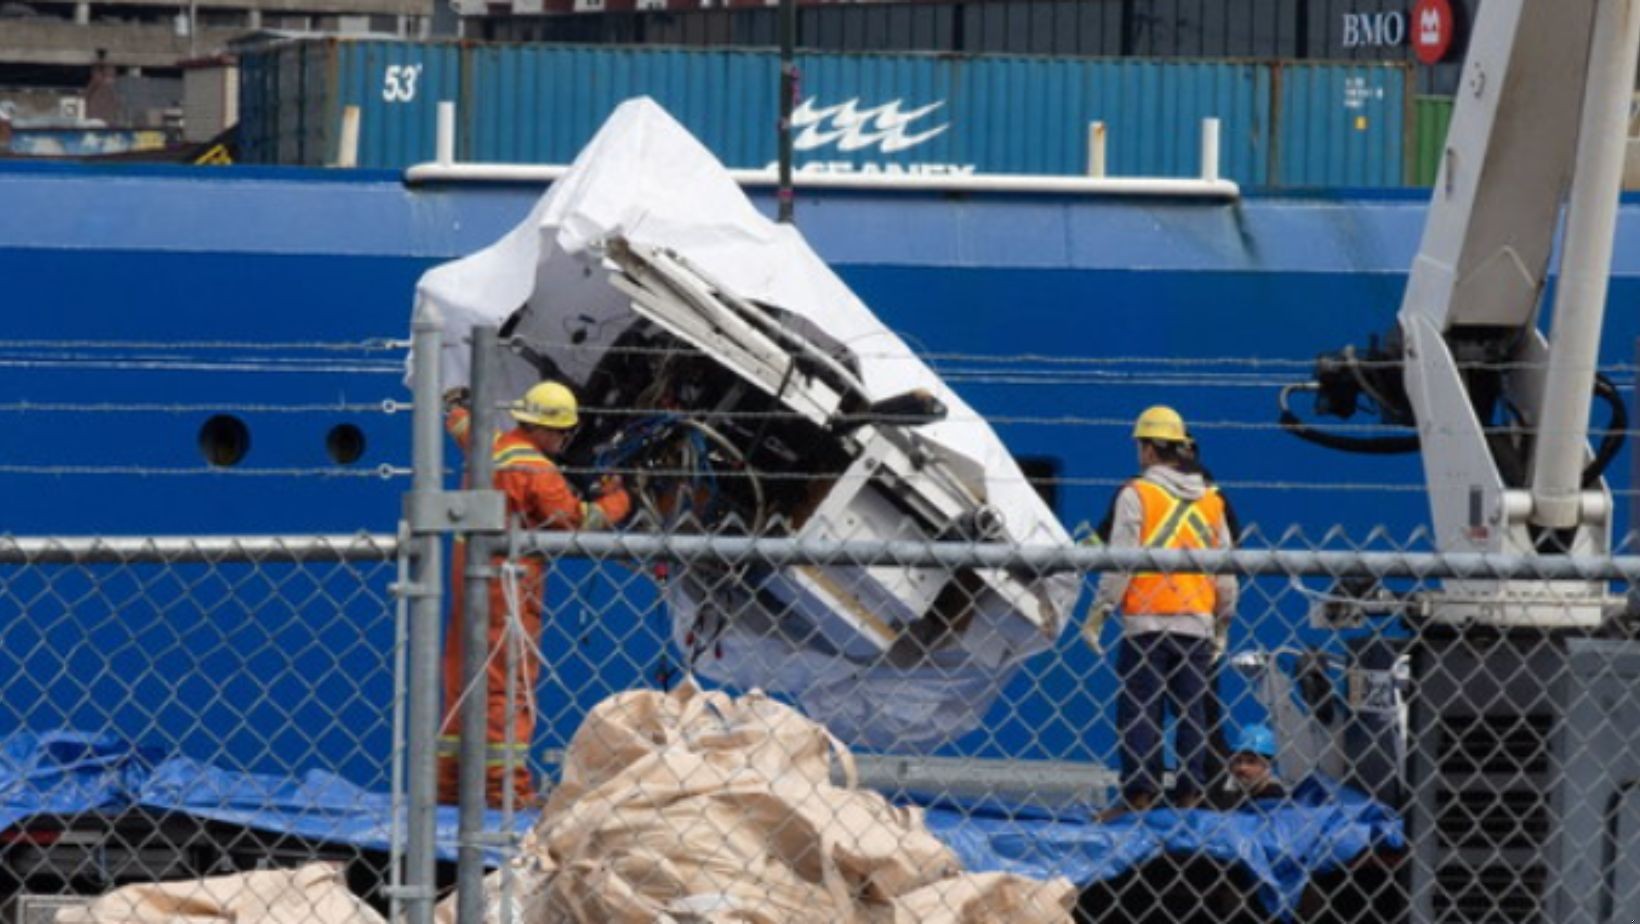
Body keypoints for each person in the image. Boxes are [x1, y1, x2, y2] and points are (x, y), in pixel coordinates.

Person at [438, 380, 633, 807]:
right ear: (545, 429)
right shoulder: (537, 471)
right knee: (507, 688)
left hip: (467, 572)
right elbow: (578, 521)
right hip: (507, 584)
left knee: (461, 682)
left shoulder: (490, 444)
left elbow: (462, 425)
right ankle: (505, 793)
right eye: (563, 432)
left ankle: (448, 788)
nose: (565, 441)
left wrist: (454, 406)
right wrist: (618, 498)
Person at [1085, 405, 1237, 816]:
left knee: (1140, 710)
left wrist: (1099, 611)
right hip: (1196, 624)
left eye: (1140, 445)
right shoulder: (1212, 501)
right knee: (1192, 714)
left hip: (1146, 623)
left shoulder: (1137, 494)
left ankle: (1139, 796)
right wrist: (1223, 622)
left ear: (1151, 450)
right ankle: (1191, 795)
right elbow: (1226, 570)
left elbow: (1121, 561)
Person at [1212, 723, 1286, 808]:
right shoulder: (1237, 793)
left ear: (1267, 766)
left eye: (1251, 762)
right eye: (1238, 761)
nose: (1242, 767)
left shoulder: (1274, 798)